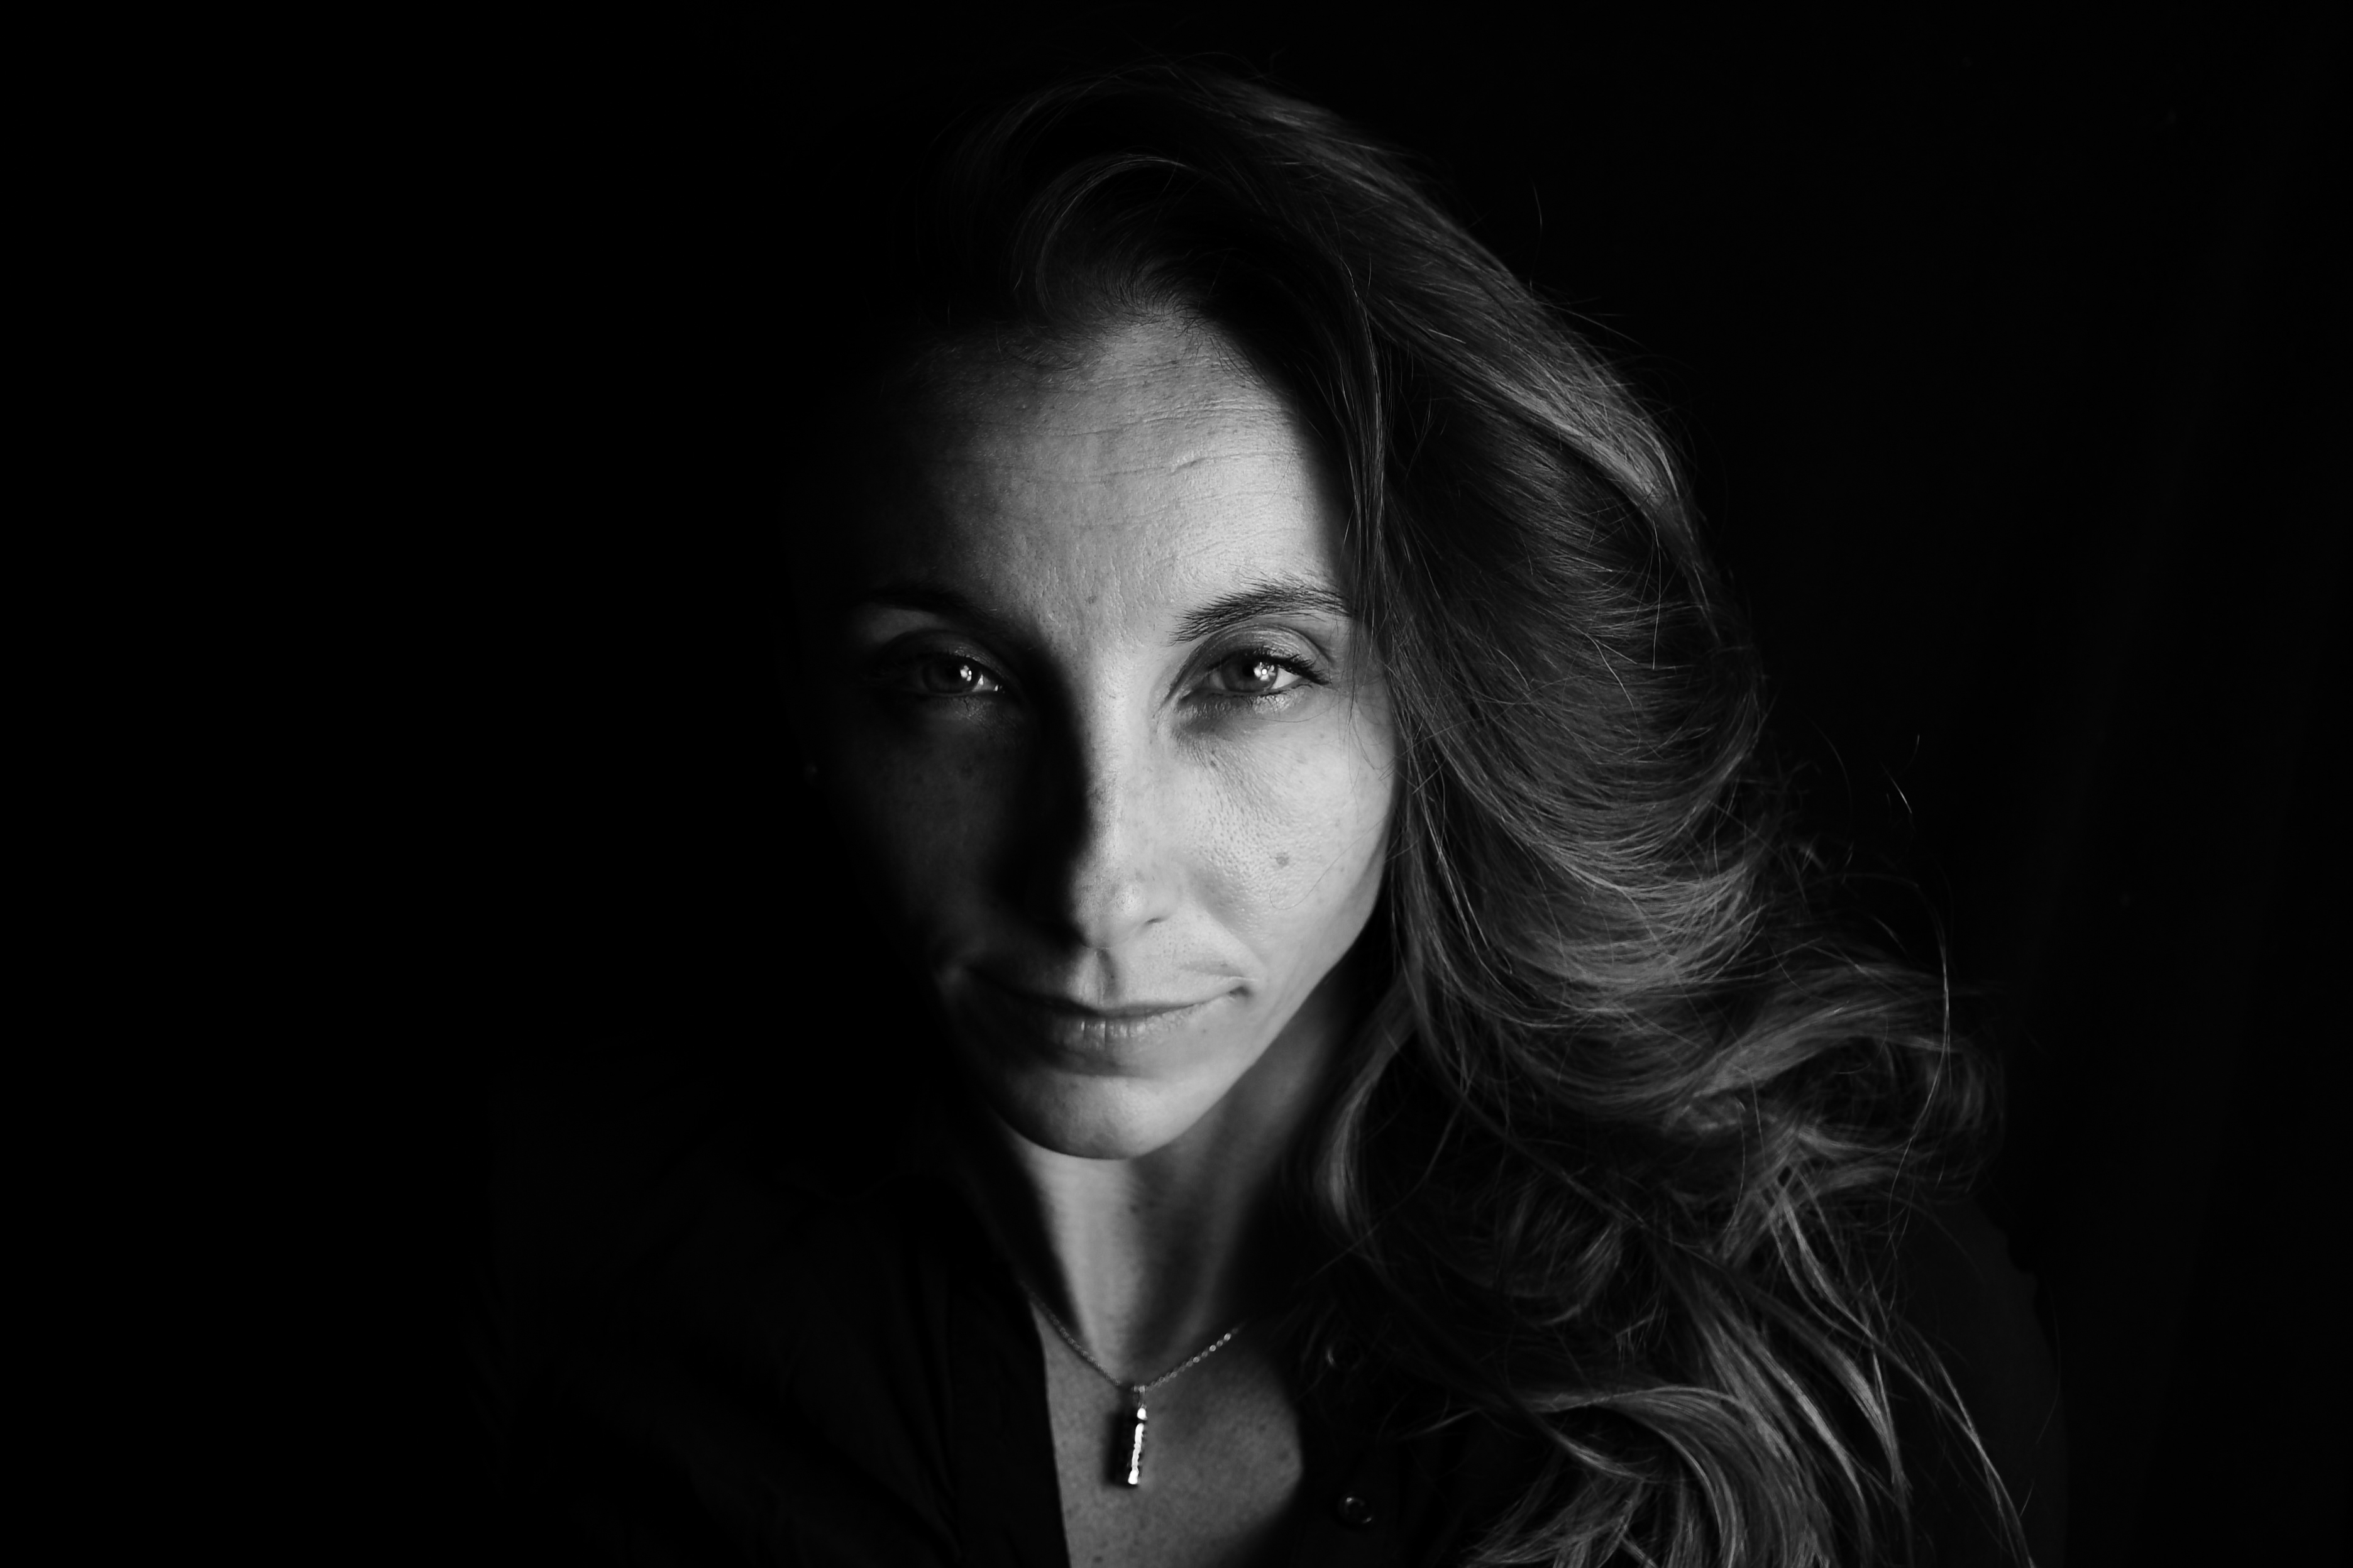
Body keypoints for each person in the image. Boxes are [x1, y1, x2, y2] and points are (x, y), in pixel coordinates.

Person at [475, 63, 2064, 1567]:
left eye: (1252, 672)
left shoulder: (1843, 1362)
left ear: (1439, 695)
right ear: (804, 695)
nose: (1097, 879)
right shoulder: (561, 1267)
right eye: (955, 678)